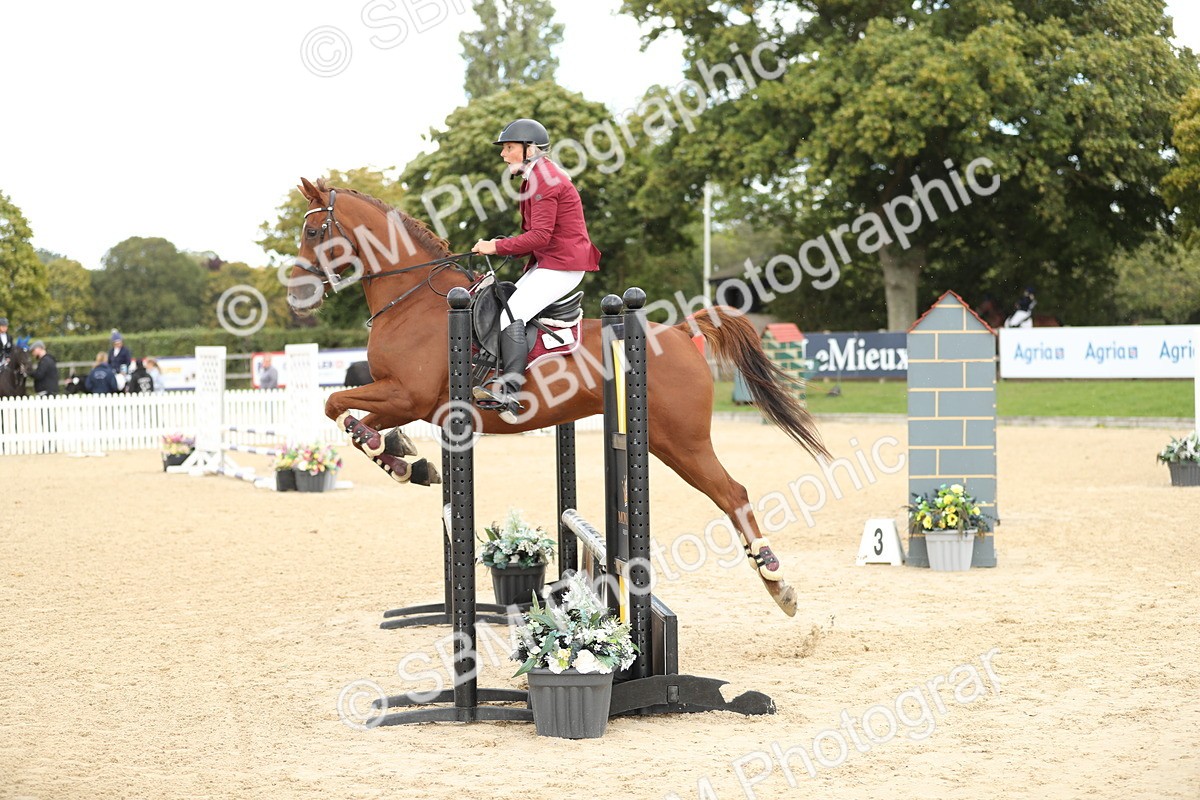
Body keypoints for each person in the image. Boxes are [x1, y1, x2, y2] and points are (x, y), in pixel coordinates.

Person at [470, 118, 601, 422]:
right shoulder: (537, 176)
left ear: (529, 149)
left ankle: (511, 391)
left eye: (509, 148)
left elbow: (540, 236)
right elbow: (540, 236)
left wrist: (495, 247)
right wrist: (506, 247)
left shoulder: (543, 179)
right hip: (551, 261)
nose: (504, 154)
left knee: (510, 315)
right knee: (508, 304)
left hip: (563, 264)